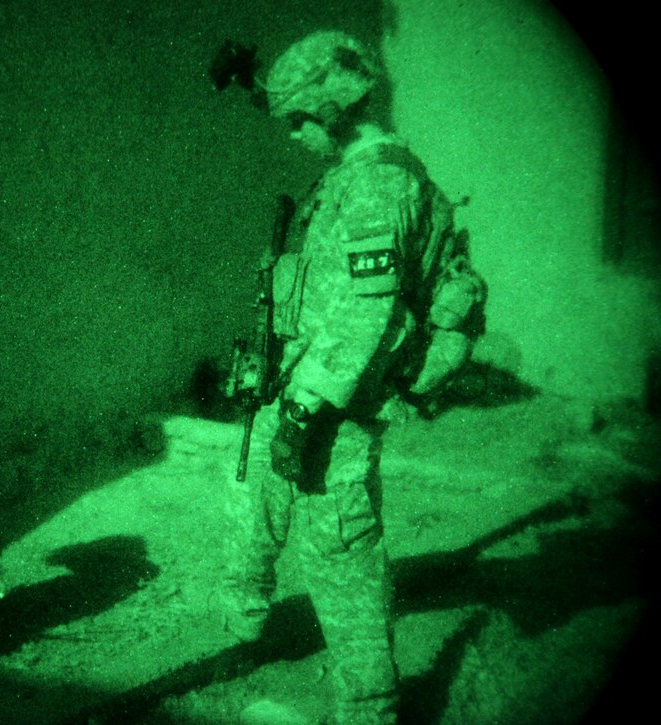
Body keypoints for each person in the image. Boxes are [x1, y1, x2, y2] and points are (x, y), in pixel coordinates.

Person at [221, 31, 486, 724]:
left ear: (334, 107)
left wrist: (308, 408)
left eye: (303, 119)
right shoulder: (353, 171)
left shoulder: (377, 181)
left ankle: (370, 708)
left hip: (330, 409)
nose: (297, 134)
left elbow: (365, 317)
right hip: (301, 390)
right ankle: (244, 626)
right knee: (262, 503)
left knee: (341, 557)